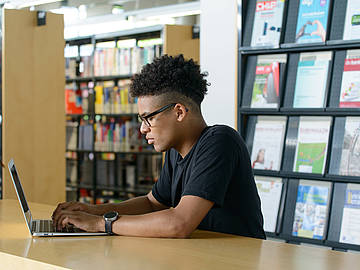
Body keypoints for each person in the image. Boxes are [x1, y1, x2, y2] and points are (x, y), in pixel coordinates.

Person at [52, 54, 266, 239]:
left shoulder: (220, 141)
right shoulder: (176, 151)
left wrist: (101, 224)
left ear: (179, 112)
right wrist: (95, 211)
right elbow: (153, 203)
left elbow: (179, 224)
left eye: (149, 119)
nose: (143, 129)